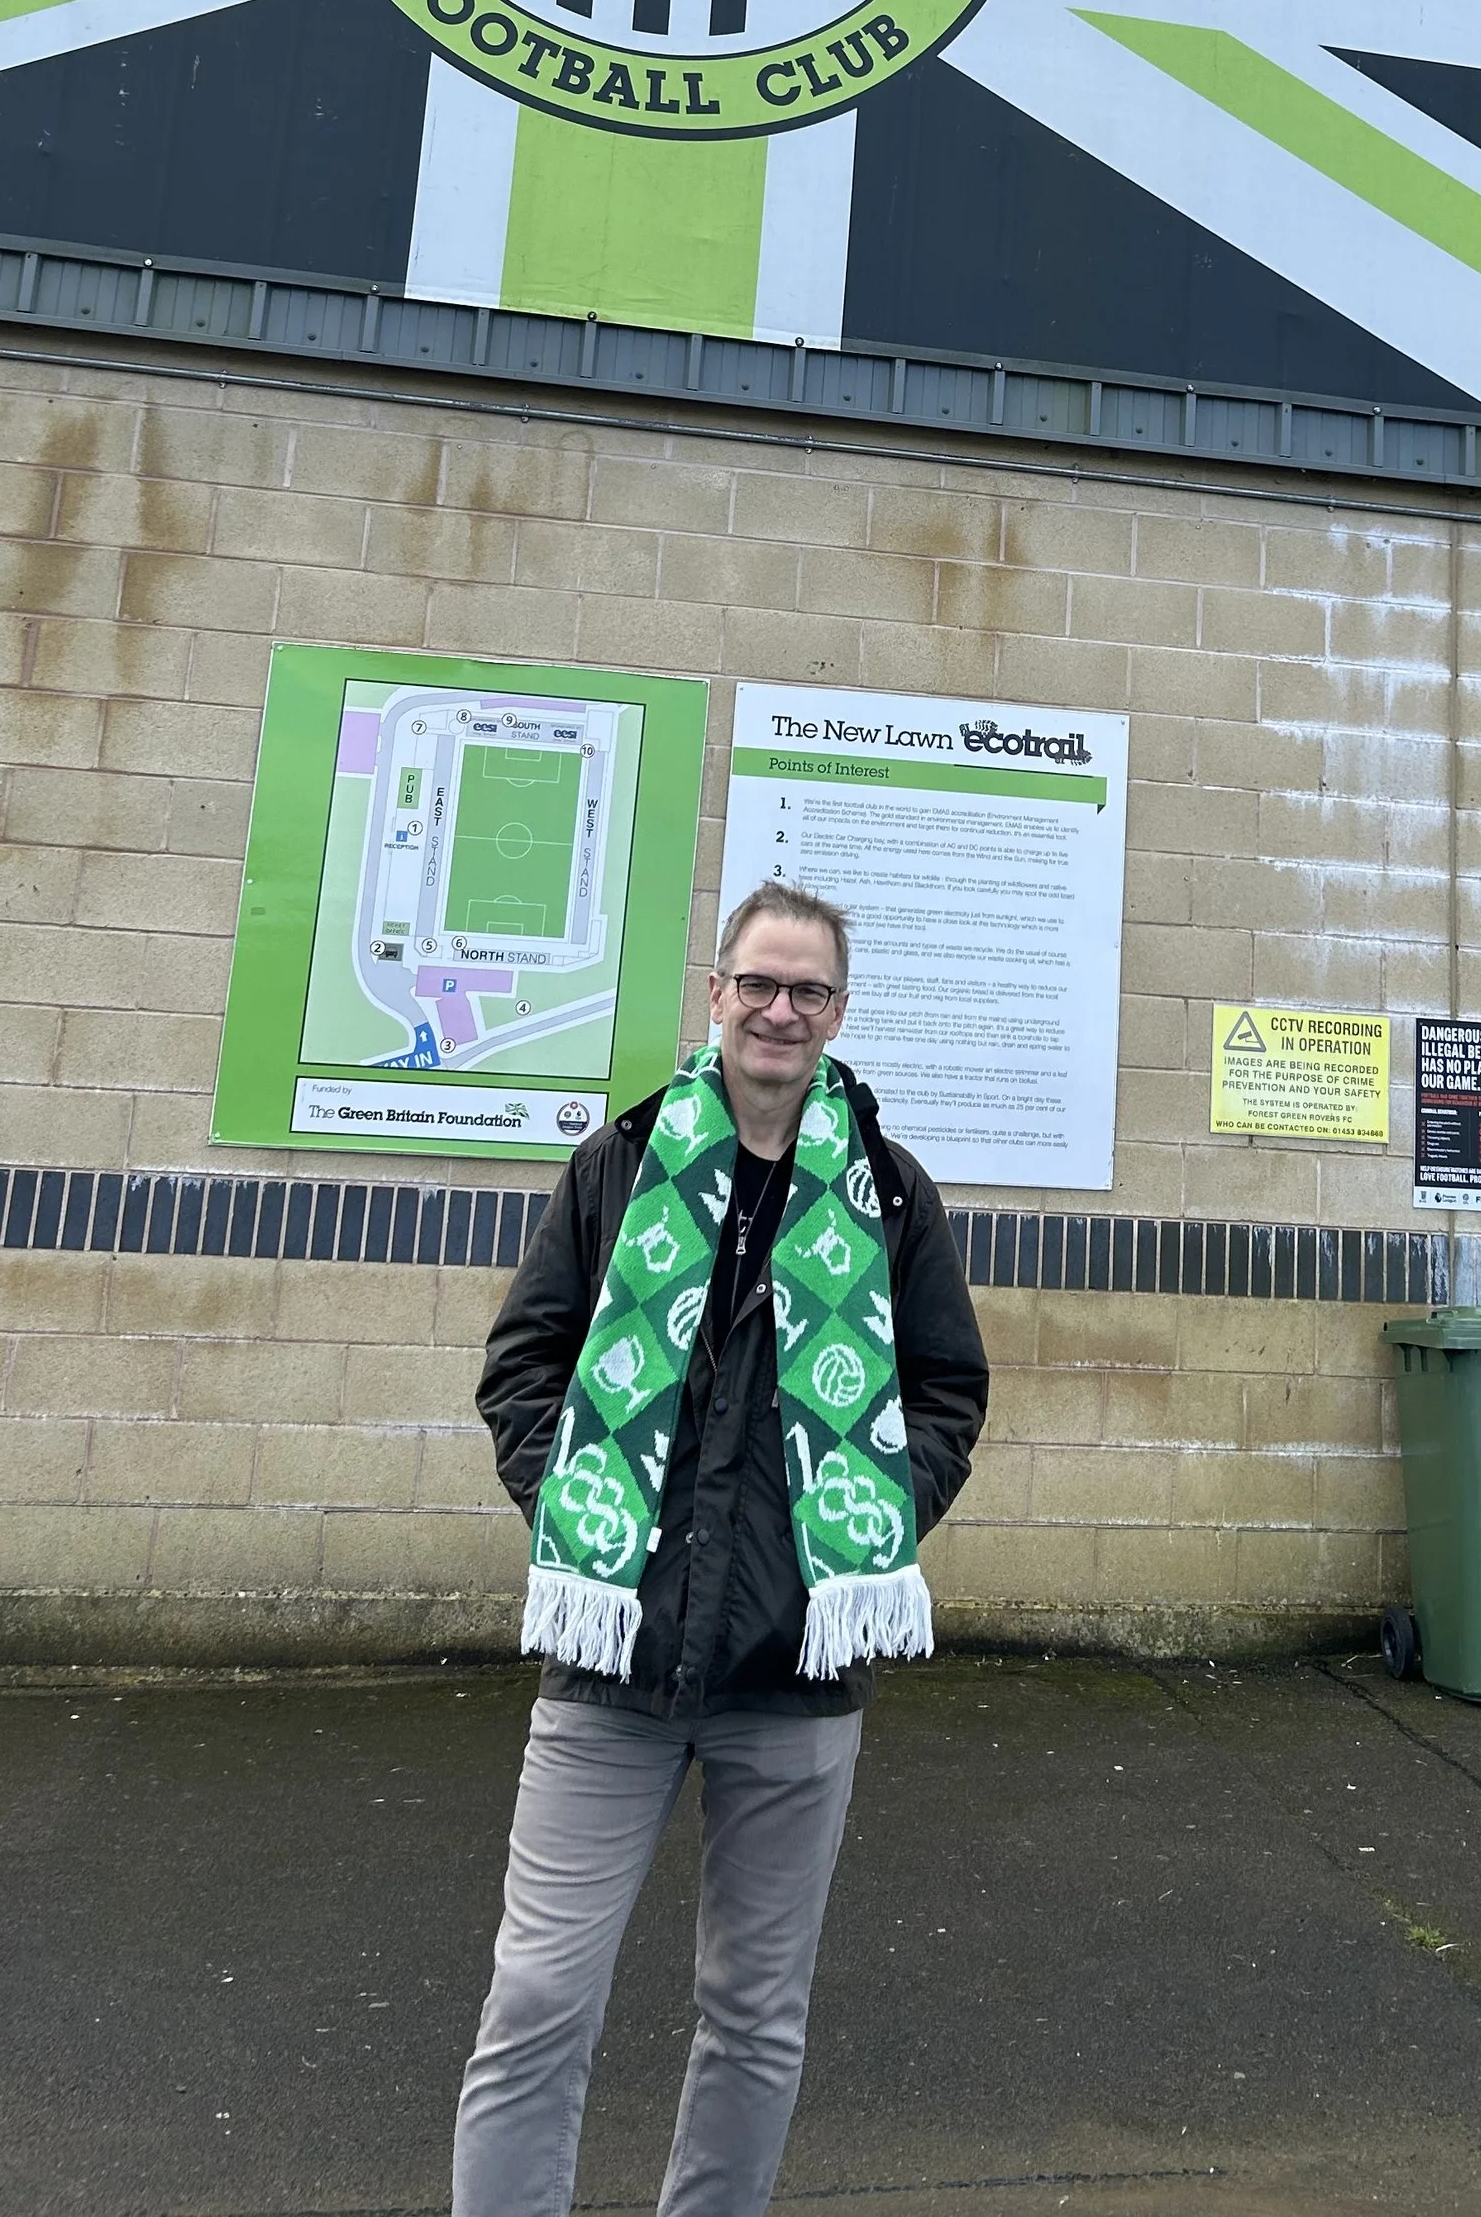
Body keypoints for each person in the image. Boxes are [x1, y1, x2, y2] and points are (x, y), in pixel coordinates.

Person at [454, 878, 989, 2217]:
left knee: (755, 2018)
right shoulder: (626, 1164)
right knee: (538, 1998)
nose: (780, 1008)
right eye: (760, 981)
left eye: (808, 989)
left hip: (795, 1675)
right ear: (717, 991)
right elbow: (527, 1360)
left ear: (838, 1012)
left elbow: (947, 1389)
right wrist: (583, 1512)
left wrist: (845, 1543)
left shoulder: (887, 1194)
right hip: (614, 1666)